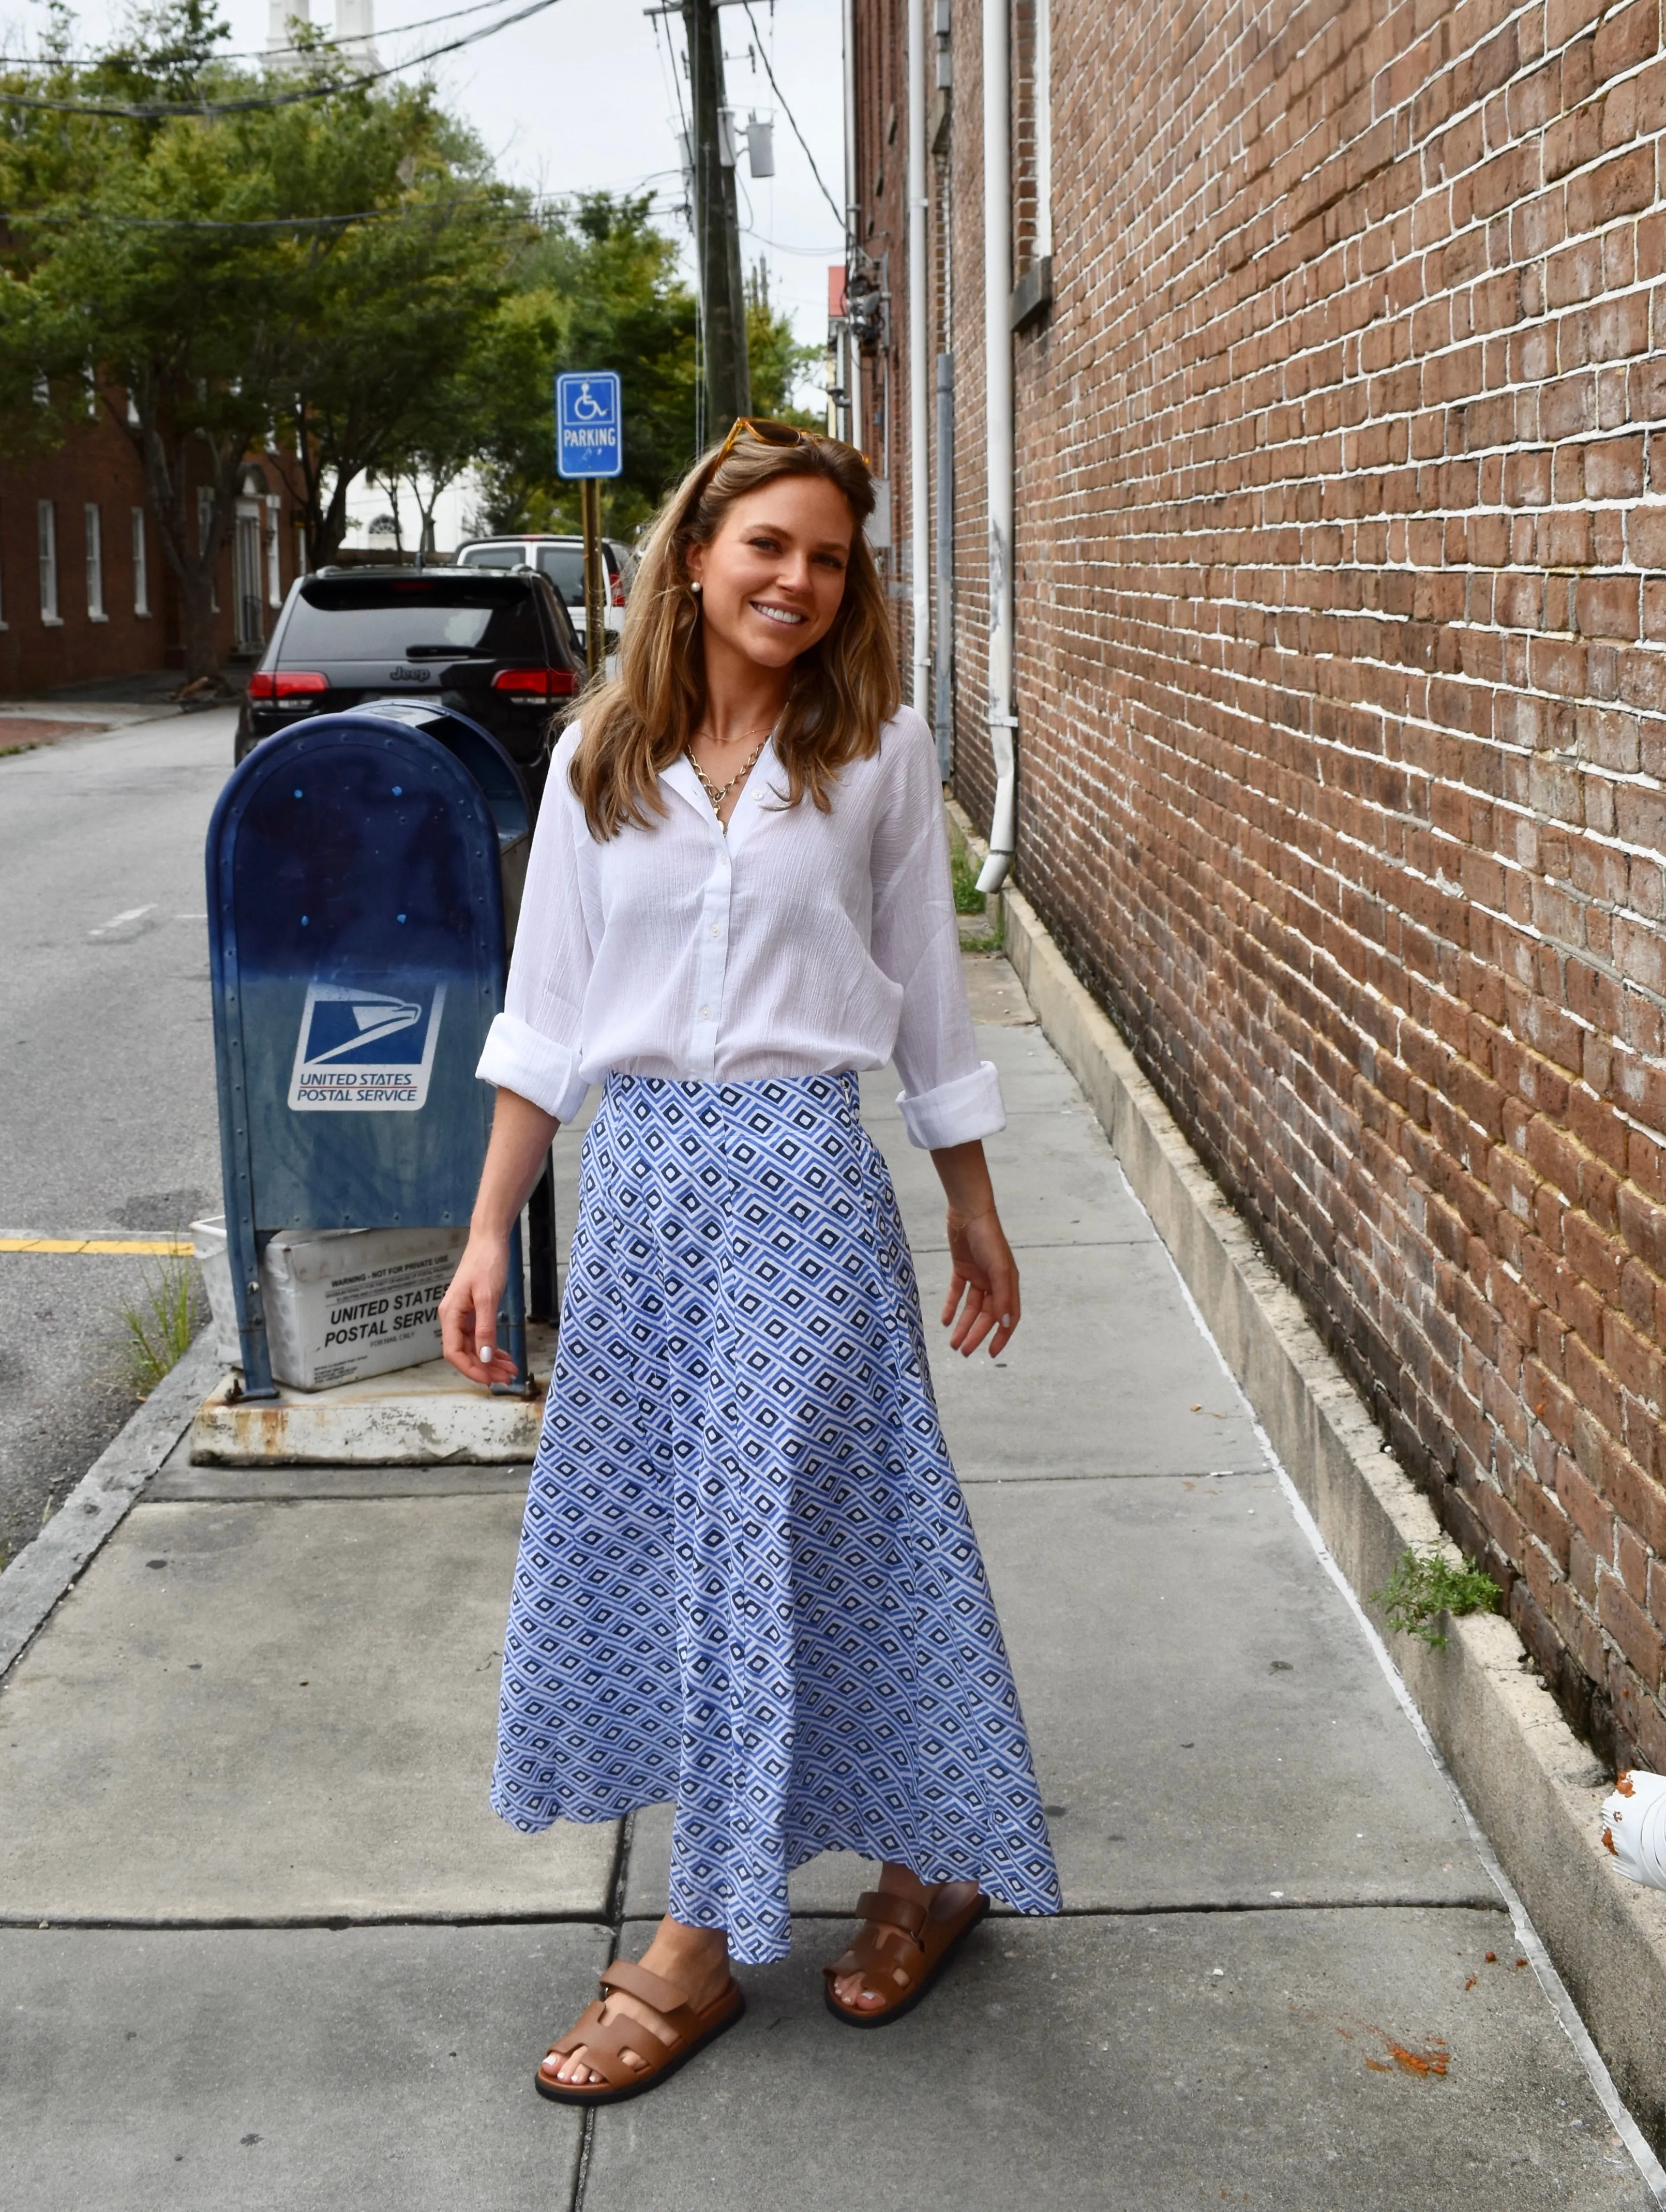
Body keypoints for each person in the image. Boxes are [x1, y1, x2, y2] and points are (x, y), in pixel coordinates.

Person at [440, 418, 1060, 2105]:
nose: (797, 580)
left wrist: (975, 1204)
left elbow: (929, 1002)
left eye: (829, 557)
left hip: (795, 1188)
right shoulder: (595, 762)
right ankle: (930, 1856)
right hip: (636, 1199)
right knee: (707, 1544)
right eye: (767, 546)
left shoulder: (874, 752)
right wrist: (493, 1227)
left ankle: (695, 1946)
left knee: (775, 1534)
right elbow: (546, 1019)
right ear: (690, 558)